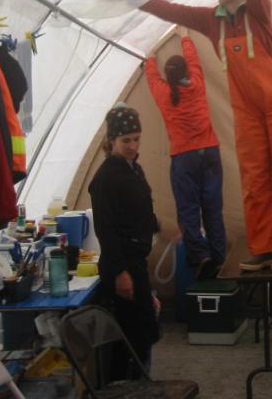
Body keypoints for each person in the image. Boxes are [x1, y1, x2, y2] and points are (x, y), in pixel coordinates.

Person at [139, 0, 272, 271]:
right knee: (254, 178)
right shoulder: (212, 21)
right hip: (247, 109)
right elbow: (172, 10)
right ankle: (263, 249)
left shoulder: (258, 11)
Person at [145, 26, 226, 279]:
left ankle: (201, 257)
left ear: (167, 77)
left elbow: (151, 75)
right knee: (213, 209)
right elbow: (194, 60)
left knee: (189, 210)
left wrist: (150, 55)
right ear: (186, 73)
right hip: (210, 152)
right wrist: (186, 37)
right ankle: (221, 259)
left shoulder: (162, 92)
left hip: (184, 158)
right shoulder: (198, 84)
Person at [89, 104, 160, 379]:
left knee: (142, 331)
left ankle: (138, 382)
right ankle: (124, 386)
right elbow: (105, 230)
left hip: (136, 260)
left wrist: (158, 227)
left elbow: (140, 208)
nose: (132, 145)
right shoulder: (106, 178)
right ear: (111, 141)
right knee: (130, 335)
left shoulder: (133, 169)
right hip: (122, 263)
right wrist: (120, 273)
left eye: (136, 138)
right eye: (126, 140)